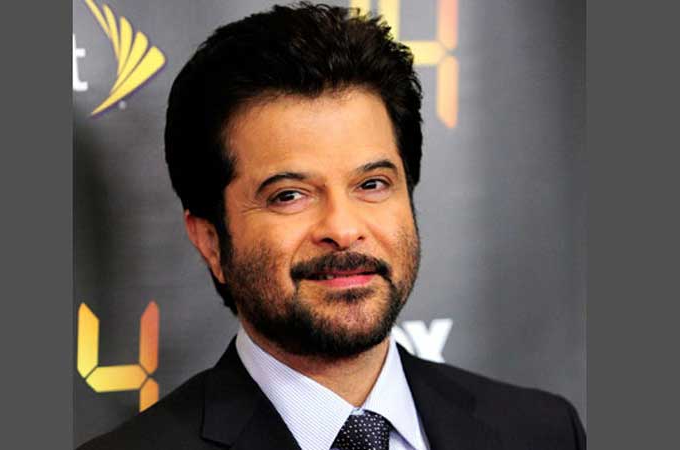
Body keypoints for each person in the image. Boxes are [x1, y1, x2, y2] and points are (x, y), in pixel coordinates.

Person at [79, 3, 585, 449]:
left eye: (372, 184)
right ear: (211, 241)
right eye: (289, 195)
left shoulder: (541, 431)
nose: (343, 229)